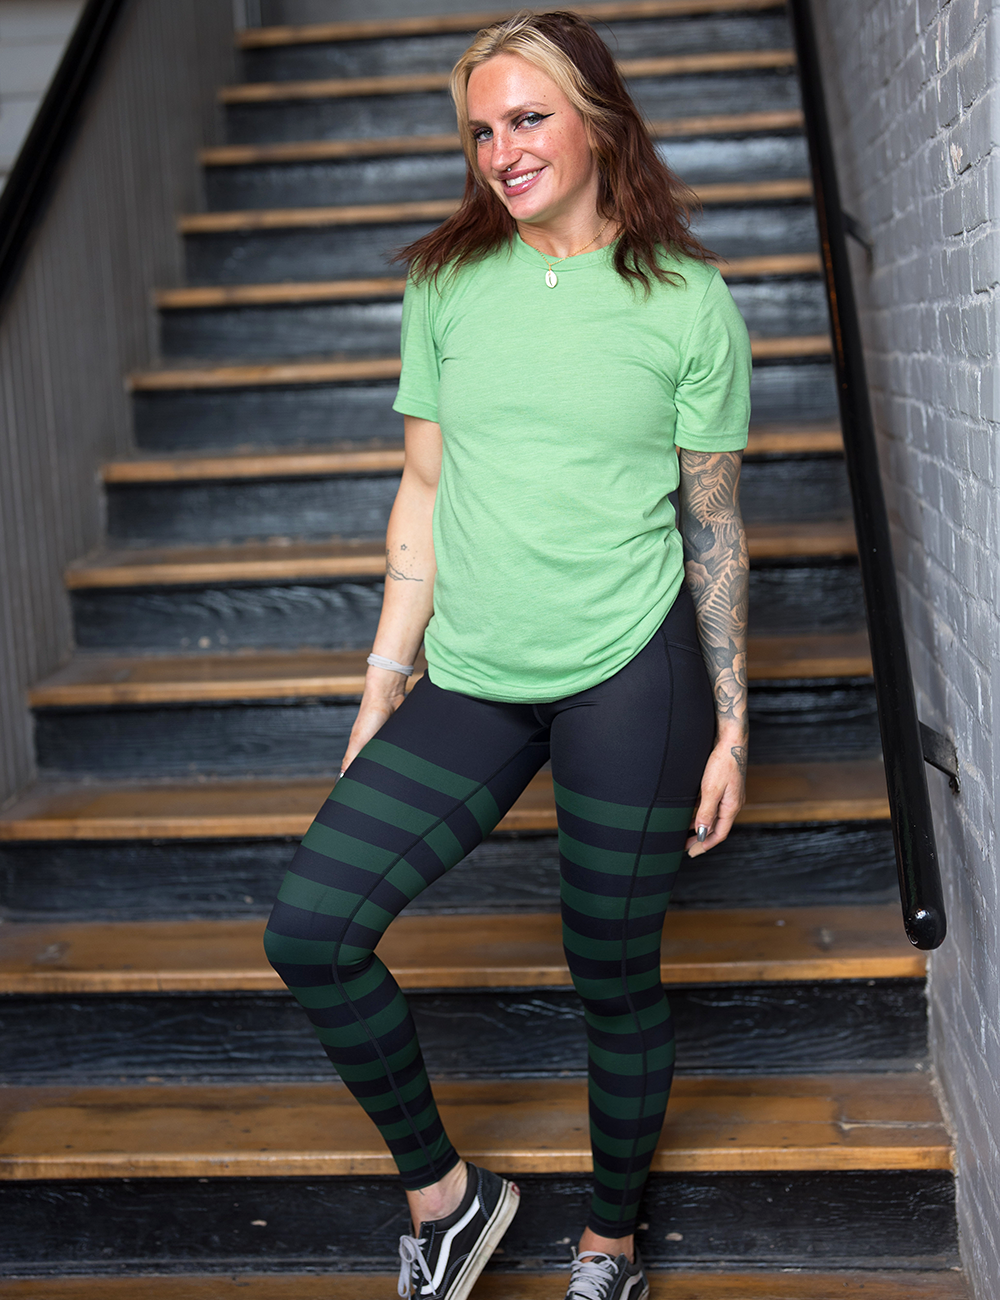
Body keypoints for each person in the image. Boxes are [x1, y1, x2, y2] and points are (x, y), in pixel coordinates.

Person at [264, 9, 751, 1299]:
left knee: (611, 966)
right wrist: (382, 682)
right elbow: (420, 493)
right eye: (481, 129)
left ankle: (612, 1245)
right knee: (313, 927)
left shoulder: (688, 301)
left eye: (528, 118)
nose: (502, 149)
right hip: (474, 675)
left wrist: (736, 725)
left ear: (599, 116)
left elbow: (712, 530)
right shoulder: (445, 284)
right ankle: (448, 1197)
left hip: (627, 674)